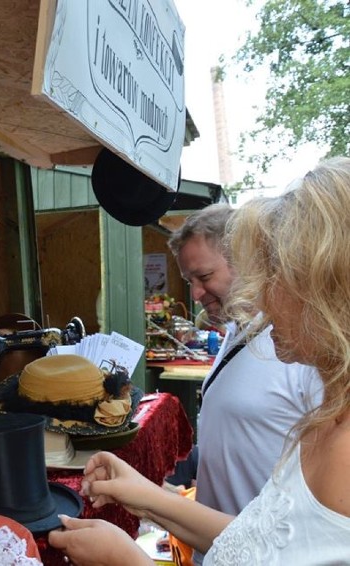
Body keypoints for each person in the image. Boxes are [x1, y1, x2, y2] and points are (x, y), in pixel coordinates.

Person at [49, 157, 350, 564]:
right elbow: (258, 541)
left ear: (328, 289)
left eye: (274, 275)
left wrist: (129, 561)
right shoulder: (326, 420)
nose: (259, 297)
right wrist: (146, 495)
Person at [165, 203, 320, 563]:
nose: (196, 294)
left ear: (246, 261)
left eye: (203, 277)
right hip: (222, 548)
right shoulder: (237, 331)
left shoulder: (300, 347)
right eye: (190, 281)